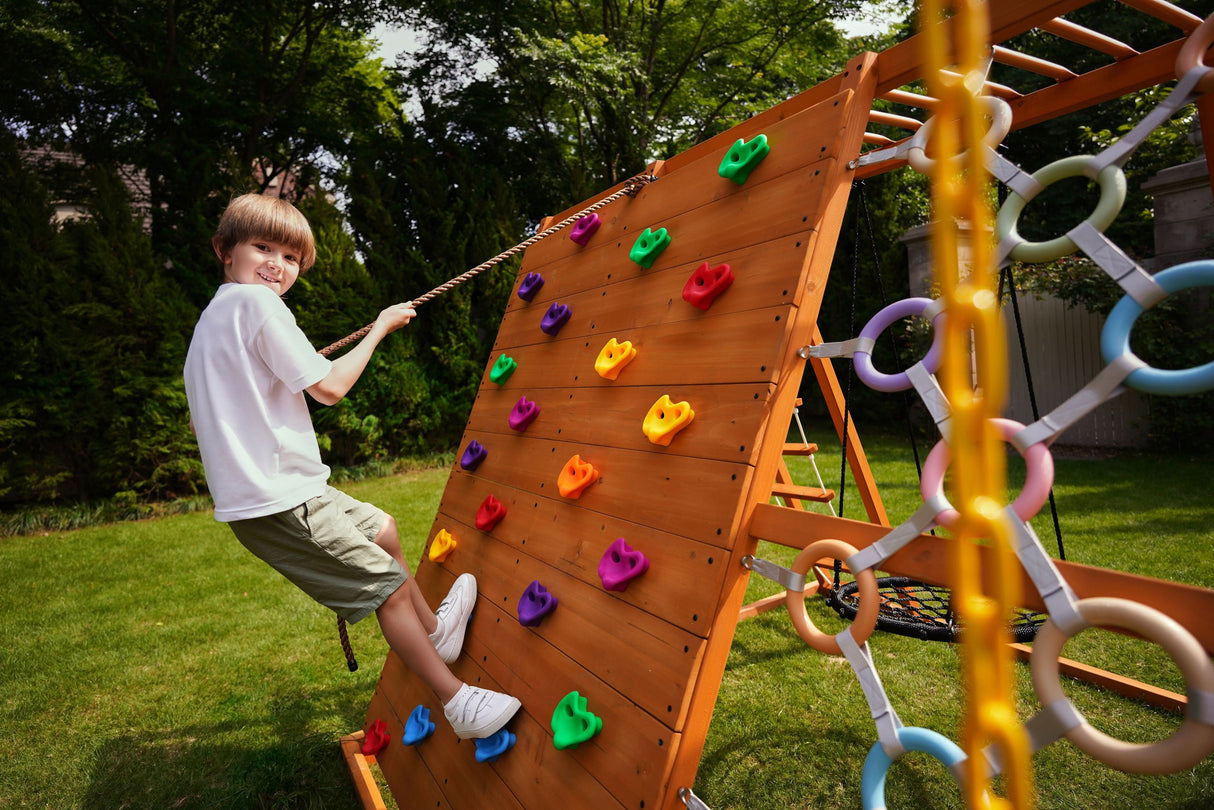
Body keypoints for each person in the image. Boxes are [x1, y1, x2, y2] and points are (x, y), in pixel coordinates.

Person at [183, 193, 520, 740]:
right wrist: (380, 327)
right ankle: (458, 702)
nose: (276, 264)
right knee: (383, 588)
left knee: (384, 529)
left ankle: (435, 632)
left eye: (291, 257)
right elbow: (331, 387)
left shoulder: (210, 324)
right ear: (225, 249)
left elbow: (205, 419)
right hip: (281, 502)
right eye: (262, 247)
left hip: (290, 492)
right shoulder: (258, 305)